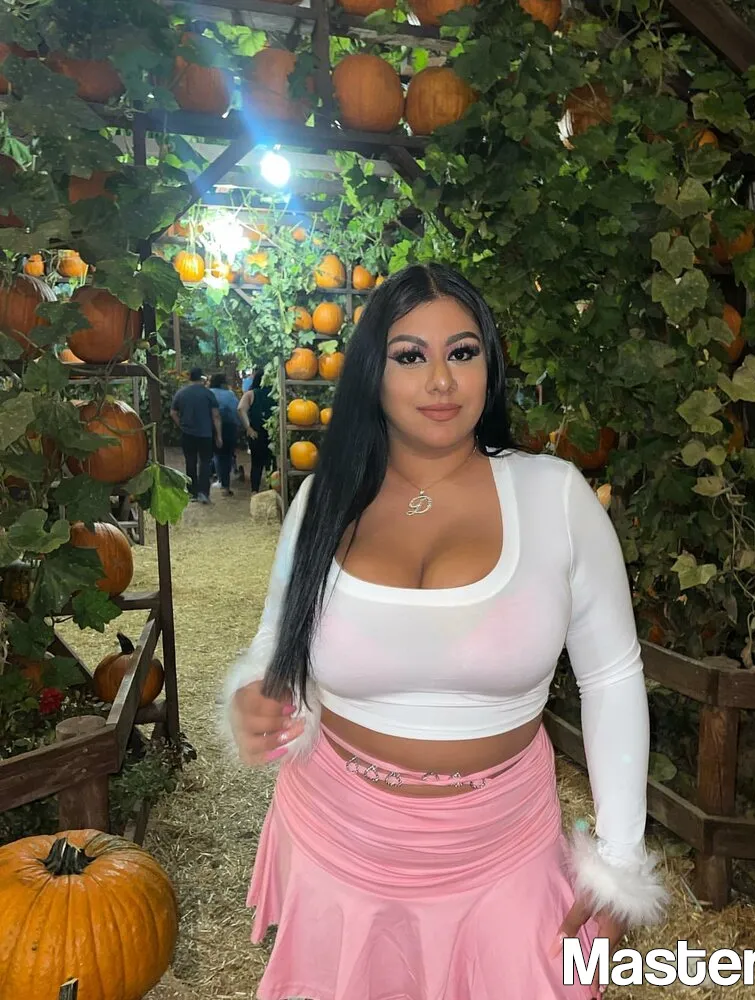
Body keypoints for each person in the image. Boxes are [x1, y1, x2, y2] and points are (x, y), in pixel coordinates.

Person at [220, 264, 668, 1000]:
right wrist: (255, 695)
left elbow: (612, 675)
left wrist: (619, 859)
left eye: (462, 352)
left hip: (504, 844)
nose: (440, 380)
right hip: (337, 835)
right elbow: (277, 643)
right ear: (372, 372)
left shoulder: (555, 496)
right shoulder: (321, 500)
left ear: (490, 366)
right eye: (409, 356)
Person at [171, 367, 222, 505]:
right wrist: (219, 435)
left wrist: (181, 425)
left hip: (187, 433)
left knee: (190, 462)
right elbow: (216, 416)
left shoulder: (181, 393)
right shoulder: (208, 394)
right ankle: (203, 493)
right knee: (205, 463)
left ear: (189, 378)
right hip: (205, 434)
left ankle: (192, 492)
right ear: (202, 378)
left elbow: (173, 413)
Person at [237, 369, 275, 493]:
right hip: (273, 433)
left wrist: (248, 428)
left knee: (257, 464)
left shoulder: (251, 394)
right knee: (272, 464)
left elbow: (240, 409)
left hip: (256, 432)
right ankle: (273, 490)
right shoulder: (276, 393)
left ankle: (255, 491)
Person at [208, 372, 240, 497]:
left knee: (215, 454)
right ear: (223, 383)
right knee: (226, 456)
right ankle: (225, 485)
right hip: (229, 427)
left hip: (210, 426)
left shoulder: (208, 393)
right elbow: (236, 410)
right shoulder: (230, 395)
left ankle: (215, 480)